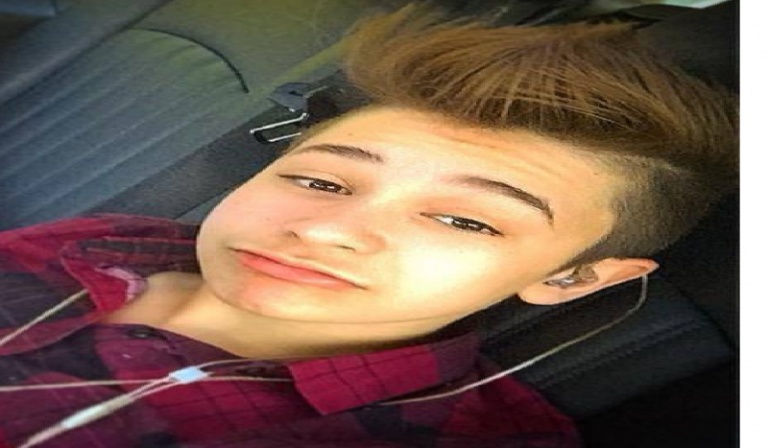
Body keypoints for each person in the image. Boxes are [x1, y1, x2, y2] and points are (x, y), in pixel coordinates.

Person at [0, 4, 737, 448]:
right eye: (319, 181)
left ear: (572, 278)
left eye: (464, 220)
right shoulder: (97, 242)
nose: (327, 230)